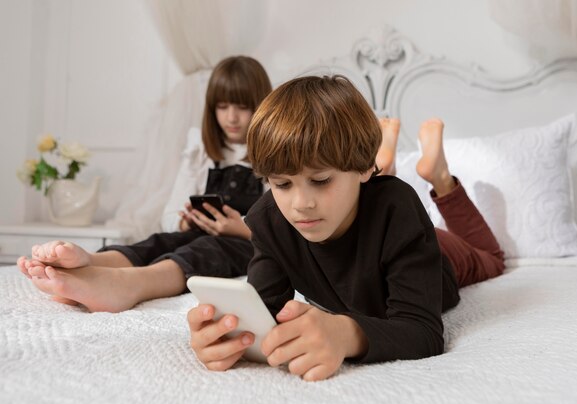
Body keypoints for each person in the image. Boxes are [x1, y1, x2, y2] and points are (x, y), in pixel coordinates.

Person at [187, 75, 505, 381]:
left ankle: (441, 178)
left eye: (321, 180)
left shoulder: (397, 208)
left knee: (491, 257)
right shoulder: (269, 220)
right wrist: (227, 337)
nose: (301, 204)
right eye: (282, 184)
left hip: (439, 252)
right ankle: (384, 159)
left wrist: (346, 332)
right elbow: (266, 315)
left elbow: (423, 331)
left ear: (363, 167)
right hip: (375, 215)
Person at [16, 56, 273, 313]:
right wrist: (186, 221)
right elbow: (169, 217)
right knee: (161, 241)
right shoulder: (200, 152)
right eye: (222, 106)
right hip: (199, 234)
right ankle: (92, 264)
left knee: (206, 249)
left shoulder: (274, 157)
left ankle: (129, 284)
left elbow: (284, 231)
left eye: (241, 107)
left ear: (260, 107)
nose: (231, 117)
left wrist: (241, 228)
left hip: (248, 245)